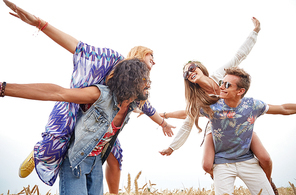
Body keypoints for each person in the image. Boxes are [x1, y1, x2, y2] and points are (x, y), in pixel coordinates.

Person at [3, 0, 175, 191]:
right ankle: (43, 149)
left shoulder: (135, 99)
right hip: (78, 118)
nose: (153, 66)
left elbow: (149, 108)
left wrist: (163, 123)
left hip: (98, 148)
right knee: (61, 134)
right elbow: (77, 50)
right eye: (150, 60)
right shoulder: (109, 66)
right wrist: (39, 23)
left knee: (116, 156)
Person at [1, 58, 151, 195]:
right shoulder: (100, 95)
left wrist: (164, 121)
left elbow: (153, 111)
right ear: (132, 81)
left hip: (96, 163)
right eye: (145, 79)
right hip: (75, 160)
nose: (149, 83)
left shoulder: (131, 105)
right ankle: (41, 149)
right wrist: (4, 88)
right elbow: (58, 93)